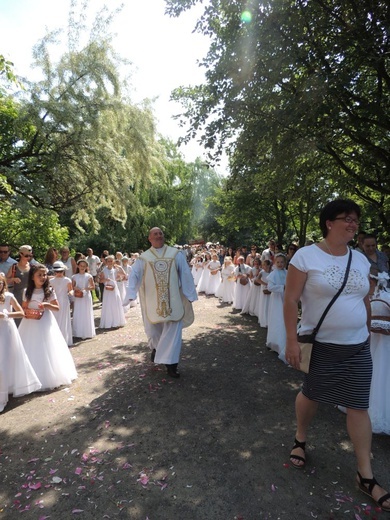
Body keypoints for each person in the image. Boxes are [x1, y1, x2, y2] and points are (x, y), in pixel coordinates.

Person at [283, 199, 390, 512]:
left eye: (356, 219)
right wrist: (291, 339)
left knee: (359, 406)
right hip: (322, 346)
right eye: (347, 218)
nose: (353, 224)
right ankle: (301, 438)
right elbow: (290, 300)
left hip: (357, 346)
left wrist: (367, 328)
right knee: (312, 394)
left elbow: (365, 299)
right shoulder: (305, 257)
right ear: (329, 222)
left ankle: (365, 476)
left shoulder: (359, 260)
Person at [125, 227, 197, 378]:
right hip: (152, 301)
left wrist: (190, 293)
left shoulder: (175, 254)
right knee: (153, 331)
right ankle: (157, 349)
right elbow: (135, 275)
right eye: (155, 234)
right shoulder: (143, 258)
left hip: (173, 301)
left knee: (173, 332)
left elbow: (185, 272)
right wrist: (130, 294)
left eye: (160, 234)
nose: (158, 236)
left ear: (164, 237)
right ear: (149, 238)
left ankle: (171, 365)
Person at [18, 264, 77, 391]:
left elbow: (57, 307)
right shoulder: (26, 291)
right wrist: (28, 310)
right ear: (32, 277)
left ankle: (47, 376)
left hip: (45, 322)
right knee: (30, 346)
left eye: (44, 274)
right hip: (30, 322)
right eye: (39, 275)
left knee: (46, 348)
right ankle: (30, 379)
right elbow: (24, 307)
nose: (43, 277)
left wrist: (46, 304)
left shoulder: (49, 291)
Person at [0, 273, 41, 412]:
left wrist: (6, 314)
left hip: (6, 330)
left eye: (0, 282)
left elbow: (21, 313)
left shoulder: (8, 297)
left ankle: (4, 393)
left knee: (4, 361)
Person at [266, 253, 287, 361]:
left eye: (282, 262)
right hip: (277, 300)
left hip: (286, 300)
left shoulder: (287, 273)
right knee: (278, 319)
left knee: (285, 320)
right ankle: (275, 342)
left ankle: (283, 341)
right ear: (275, 263)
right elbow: (270, 287)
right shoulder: (273, 274)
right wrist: (282, 287)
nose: (280, 264)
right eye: (278, 262)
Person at [6, 245, 33, 326]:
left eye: (30, 256)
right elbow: (5, 280)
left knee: (29, 318)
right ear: (21, 254)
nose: (28, 258)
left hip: (29, 296)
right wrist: (13, 279)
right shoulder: (14, 267)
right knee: (17, 318)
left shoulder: (32, 267)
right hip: (17, 295)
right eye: (26, 255)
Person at [49, 261, 73, 346]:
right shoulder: (51, 281)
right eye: (57, 272)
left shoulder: (67, 280)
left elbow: (70, 290)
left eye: (61, 271)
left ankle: (64, 338)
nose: (59, 273)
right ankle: (55, 339)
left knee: (64, 319)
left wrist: (72, 294)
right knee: (55, 318)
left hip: (64, 300)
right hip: (54, 301)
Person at [99, 255, 126, 329]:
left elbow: (124, 275)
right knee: (108, 304)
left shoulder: (116, 269)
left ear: (113, 261)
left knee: (115, 303)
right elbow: (100, 280)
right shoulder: (104, 270)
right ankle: (109, 322)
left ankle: (116, 321)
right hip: (107, 289)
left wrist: (119, 275)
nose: (110, 262)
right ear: (106, 262)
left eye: (111, 261)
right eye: (108, 261)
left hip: (115, 289)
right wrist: (105, 280)